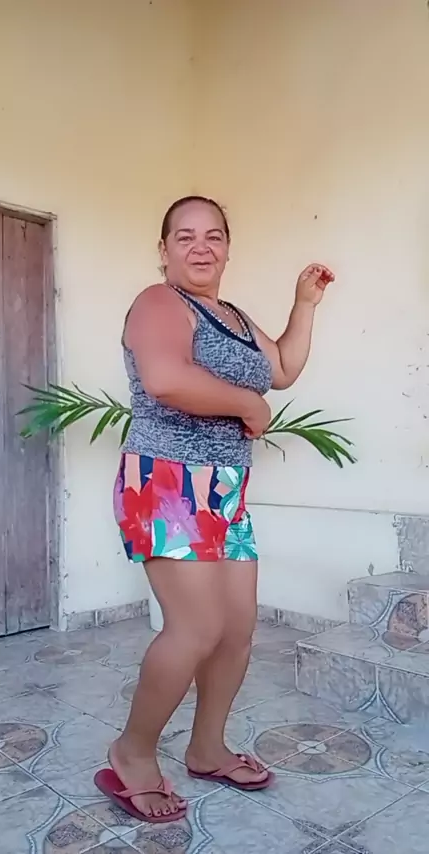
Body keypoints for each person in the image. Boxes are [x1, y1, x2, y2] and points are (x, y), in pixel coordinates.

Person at [94, 195, 334, 823]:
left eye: (214, 236)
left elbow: (282, 367)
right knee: (195, 629)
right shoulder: (158, 302)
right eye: (185, 236)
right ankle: (132, 752)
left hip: (225, 486)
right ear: (164, 249)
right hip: (166, 479)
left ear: (227, 248)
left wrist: (304, 304)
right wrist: (249, 406)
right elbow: (165, 378)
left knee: (234, 630)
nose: (201, 247)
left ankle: (206, 748)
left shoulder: (233, 316)